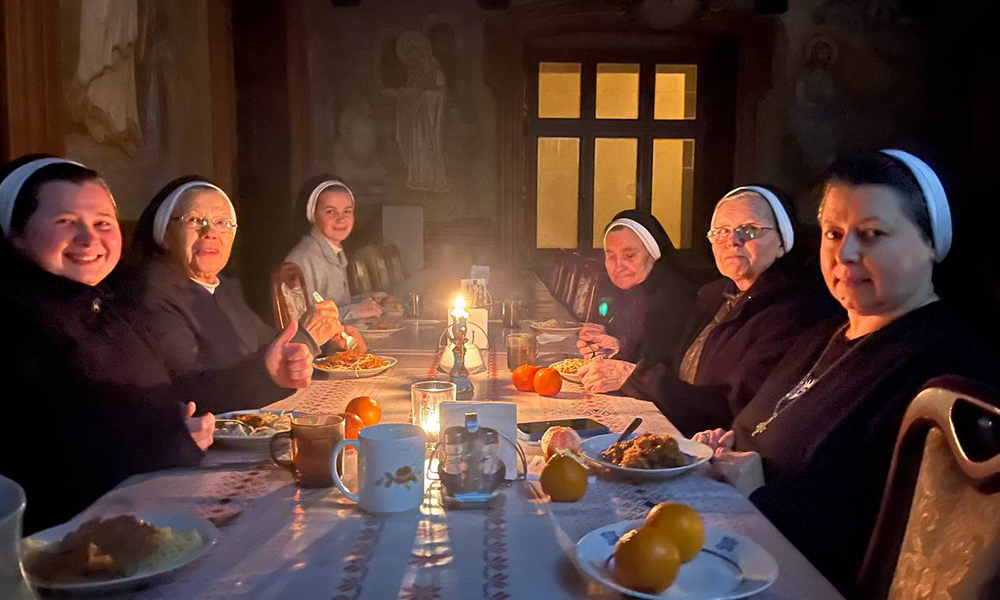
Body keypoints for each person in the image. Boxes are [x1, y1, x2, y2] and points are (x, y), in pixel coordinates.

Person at [693, 150, 1000, 594]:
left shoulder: (950, 368)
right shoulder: (821, 336)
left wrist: (758, 495)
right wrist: (728, 447)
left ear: (931, 243)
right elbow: (761, 429)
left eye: (872, 234)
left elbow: (906, 558)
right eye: (833, 233)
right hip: (736, 554)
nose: (846, 253)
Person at [0, 156, 312, 532]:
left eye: (102, 223)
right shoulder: (15, 323)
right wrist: (167, 440)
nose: (89, 239)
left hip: (135, 511)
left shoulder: (100, 303)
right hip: (71, 547)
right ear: (16, 233)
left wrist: (265, 373)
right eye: (65, 222)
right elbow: (45, 457)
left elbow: (169, 392)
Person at [604, 186, 841, 435]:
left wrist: (636, 377)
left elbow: (733, 408)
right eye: (721, 232)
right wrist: (622, 354)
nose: (732, 241)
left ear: (782, 242)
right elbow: (674, 366)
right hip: (678, 429)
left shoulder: (793, 313)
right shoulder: (713, 295)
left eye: (750, 230)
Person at [116, 176, 347, 377]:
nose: (210, 234)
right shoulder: (152, 296)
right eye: (195, 220)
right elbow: (202, 384)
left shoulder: (221, 286)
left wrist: (326, 341)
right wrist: (306, 341)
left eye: (221, 223)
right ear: (165, 235)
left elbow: (265, 343)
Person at [575, 210, 696, 390]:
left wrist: (621, 352)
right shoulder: (624, 290)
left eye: (629, 256)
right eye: (611, 256)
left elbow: (663, 370)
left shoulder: (673, 298)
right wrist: (613, 347)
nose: (618, 266)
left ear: (653, 254)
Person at [284, 177, 385, 322]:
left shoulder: (333, 250)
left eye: (347, 211)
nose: (341, 218)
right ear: (313, 215)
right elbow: (303, 321)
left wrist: (368, 300)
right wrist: (355, 310)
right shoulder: (304, 258)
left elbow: (334, 304)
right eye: (330, 212)